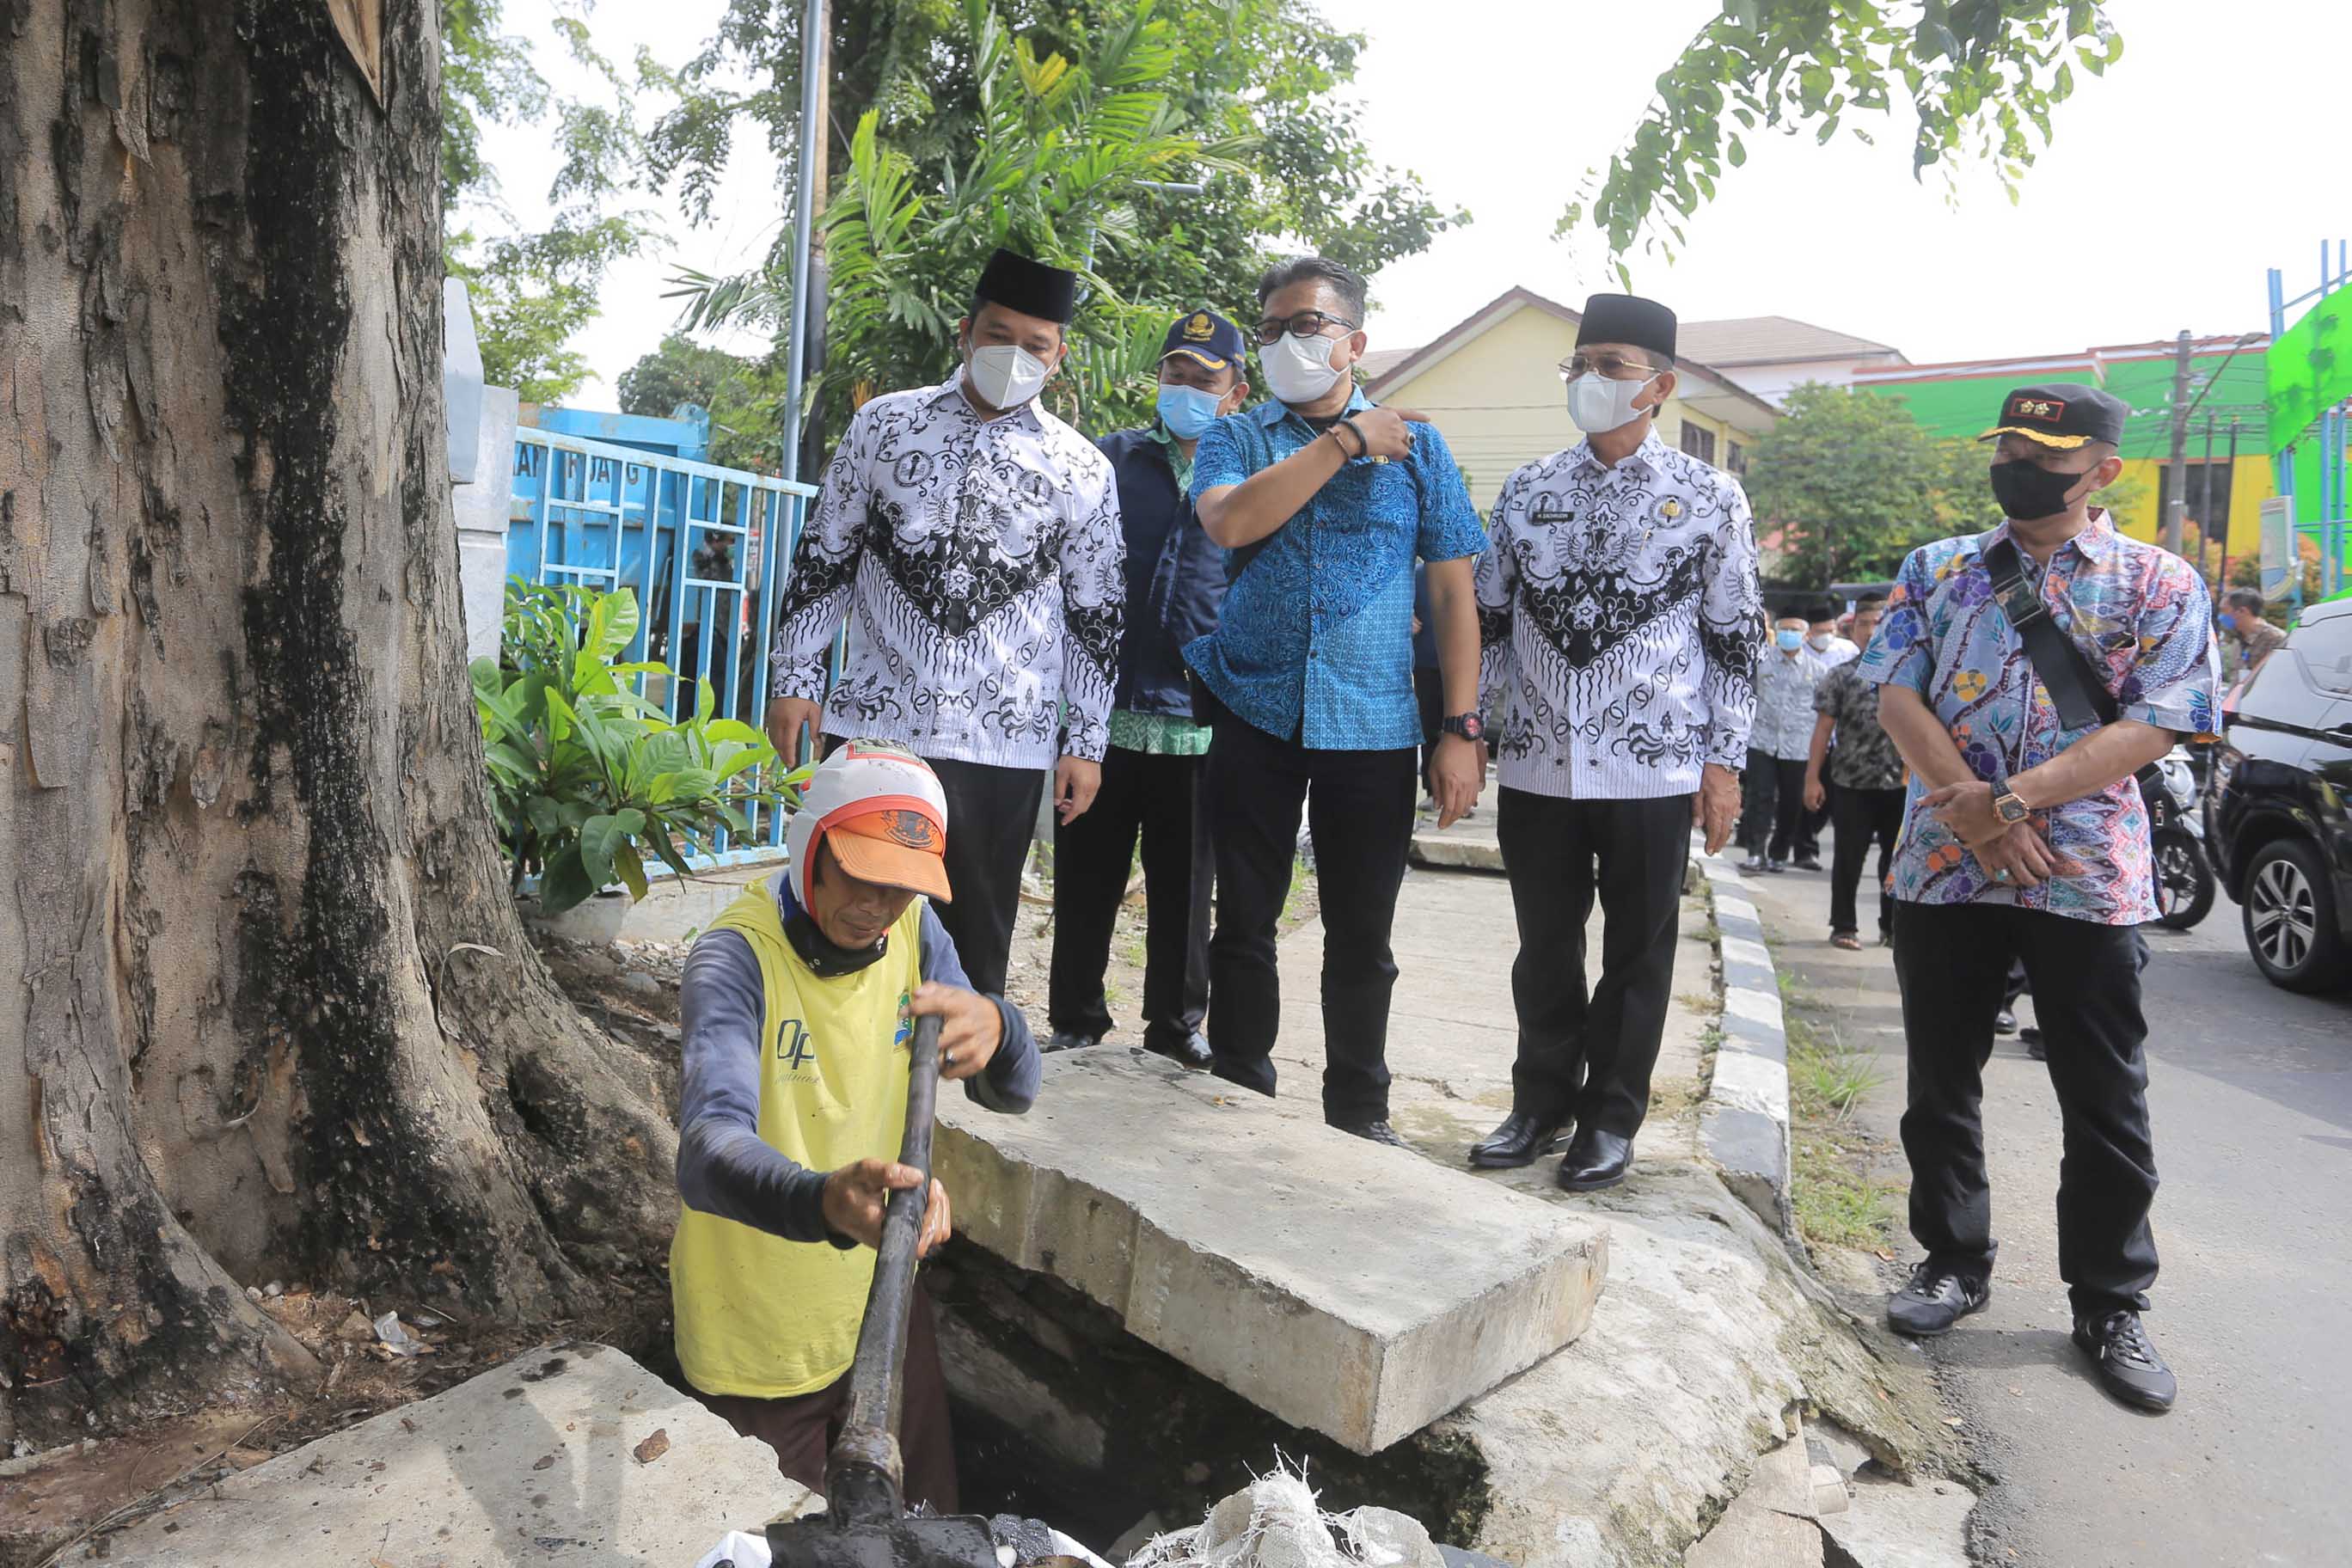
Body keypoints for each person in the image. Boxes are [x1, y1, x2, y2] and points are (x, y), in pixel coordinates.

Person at [1861, 383, 2217, 1414]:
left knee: (2105, 1098)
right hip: (1943, 861)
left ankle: (2110, 1299)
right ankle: (1952, 1260)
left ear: (2103, 468)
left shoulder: (2159, 582)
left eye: (2045, 448)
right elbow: (1896, 693)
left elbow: (2163, 721)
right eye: (2010, 442)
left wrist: (2013, 799)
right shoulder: (1937, 569)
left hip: (2087, 870)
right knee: (1941, 1077)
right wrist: (1972, 815)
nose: (2020, 458)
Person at [671, 743, 1042, 1509]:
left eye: (899, 890)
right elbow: (707, 1150)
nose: (876, 908)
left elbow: (1012, 1092)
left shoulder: (914, 937)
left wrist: (999, 1026)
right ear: (812, 851)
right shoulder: (735, 961)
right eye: (859, 878)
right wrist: (824, 1201)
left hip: (882, 1309)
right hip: (760, 1339)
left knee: (929, 1526)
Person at [1185, 255, 1489, 1146]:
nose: (1286, 340)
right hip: (1251, 704)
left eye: (1306, 324)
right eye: (1272, 327)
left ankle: (1359, 1110)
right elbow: (1231, 523)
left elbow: (1451, 595)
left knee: (1363, 930)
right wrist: (1347, 441)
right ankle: (1241, 1083)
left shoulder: (1424, 450)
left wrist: (1461, 727)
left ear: (1355, 341)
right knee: (1242, 914)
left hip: (1373, 720)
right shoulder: (1238, 438)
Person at [764, 248, 1125, 999]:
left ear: (1059, 360)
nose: (1015, 355)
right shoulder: (883, 426)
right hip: (876, 722)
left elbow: (1098, 614)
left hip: (1005, 741)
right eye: (999, 334)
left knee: (973, 938)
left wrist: (1085, 742)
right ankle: (832, 1071)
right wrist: (795, 680)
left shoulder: (1084, 468)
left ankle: (949, 1096)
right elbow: (824, 557)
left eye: (1036, 344)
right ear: (965, 333)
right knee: (846, 914)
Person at [1468, 291, 1763, 1186]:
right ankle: (1539, 1103)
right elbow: (1489, 620)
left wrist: (1723, 765)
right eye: (1580, 363)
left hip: (1654, 765)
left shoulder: (1710, 496)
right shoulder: (1529, 488)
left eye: (1613, 367)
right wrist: (1470, 729)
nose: (1591, 380)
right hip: (1539, 762)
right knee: (1545, 945)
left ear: (1660, 386)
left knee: (1639, 952)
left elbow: (1734, 638)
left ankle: (1611, 1119)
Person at [1046, 309, 1252, 1067]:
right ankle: (1074, 1016)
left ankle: (1175, 1025)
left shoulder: (1253, 471)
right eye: (1176, 374)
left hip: (1199, 716)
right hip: (1101, 715)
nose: (1187, 389)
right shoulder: (1112, 460)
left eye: (1205, 379)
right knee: (1087, 875)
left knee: (1185, 885)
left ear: (1235, 390)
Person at [1804, 597, 1902, 948]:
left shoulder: (1908, 674)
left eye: (1878, 622)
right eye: (1864, 624)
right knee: (1848, 858)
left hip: (1901, 785)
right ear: (1852, 629)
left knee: (1896, 862)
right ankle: (1843, 925)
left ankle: (1892, 927)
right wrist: (1812, 778)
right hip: (1850, 782)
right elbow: (1822, 732)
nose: (1871, 631)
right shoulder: (1842, 676)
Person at [1738, 615, 1827, 873]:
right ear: (1776, 633)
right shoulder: (1761, 664)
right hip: (1762, 741)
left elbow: (1824, 712)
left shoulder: (1818, 671)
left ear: (1806, 635)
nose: (1789, 634)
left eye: (1795, 630)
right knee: (1759, 797)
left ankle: (1779, 853)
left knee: (1791, 802)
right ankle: (1756, 852)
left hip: (1798, 746)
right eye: (1785, 629)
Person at [2220, 587, 2287, 683]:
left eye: (2224, 611)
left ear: (2242, 611)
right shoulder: (2238, 642)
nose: (2221, 617)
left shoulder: (2276, 640)